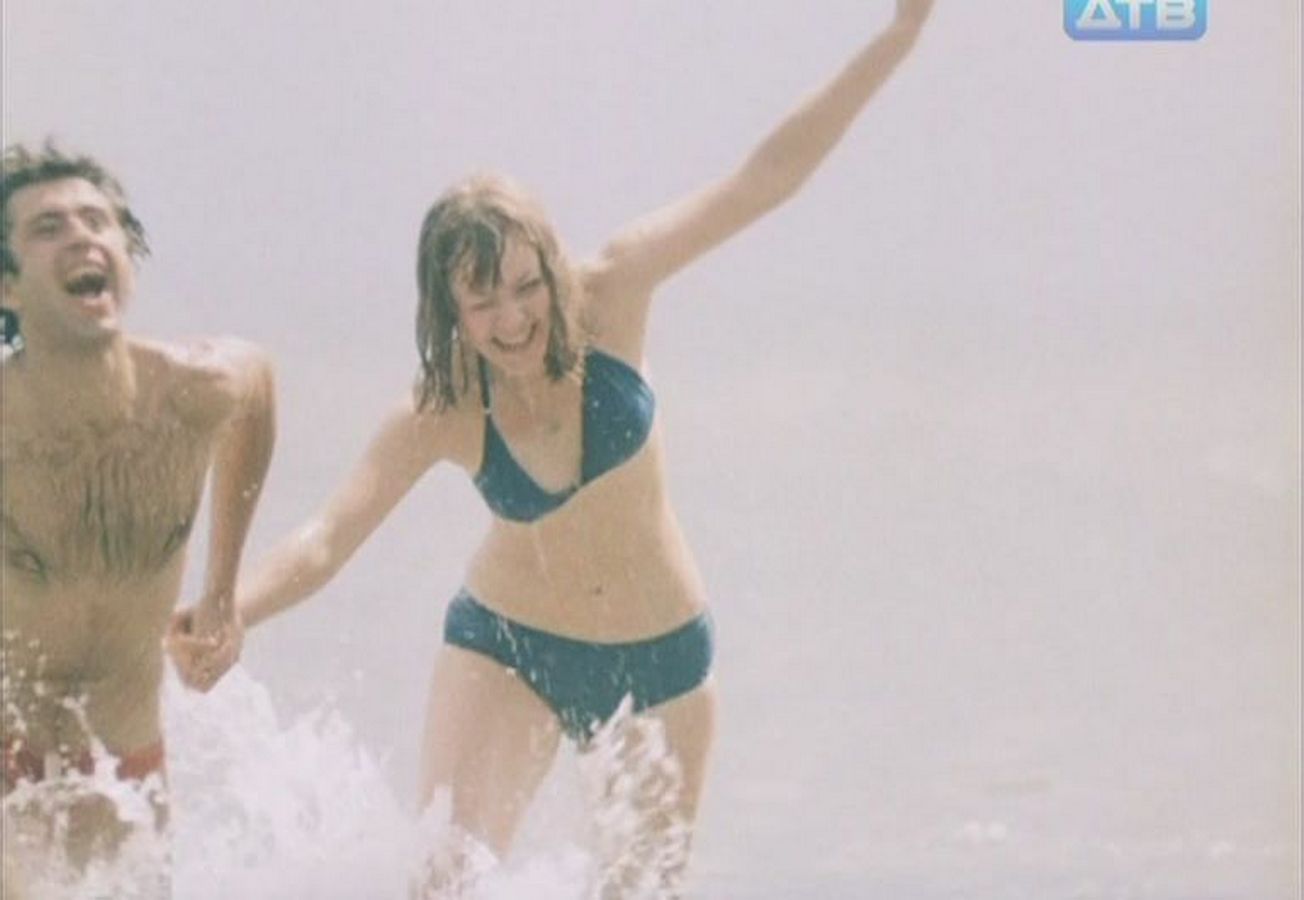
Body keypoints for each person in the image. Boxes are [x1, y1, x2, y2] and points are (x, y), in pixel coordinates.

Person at [175, 2, 934, 894]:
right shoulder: (444, 407)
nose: (514, 319)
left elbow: (762, 179)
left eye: (526, 286)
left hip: (660, 664)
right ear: (450, 311)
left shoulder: (614, 292)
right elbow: (326, 539)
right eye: (483, 301)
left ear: (550, 265)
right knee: (443, 882)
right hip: (511, 647)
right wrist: (226, 612)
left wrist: (896, 37)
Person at [0, 143, 276, 897]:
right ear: (8, 287)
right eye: (49, 227)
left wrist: (222, 590)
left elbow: (258, 390)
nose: (82, 237)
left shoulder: (193, 392)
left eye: (98, 221)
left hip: (128, 765)